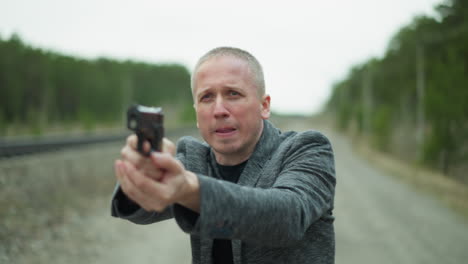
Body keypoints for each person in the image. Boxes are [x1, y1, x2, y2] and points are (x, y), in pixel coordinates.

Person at [111, 47, 336, 264]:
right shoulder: (194, 160)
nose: (219, 110)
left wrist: (191, 190)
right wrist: (142, 175)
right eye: (207, 97)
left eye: (233, 94)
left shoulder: (307, 149)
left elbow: (288, 218)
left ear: (264, 106)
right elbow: (140, 212)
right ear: (197, 114)